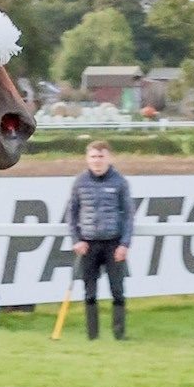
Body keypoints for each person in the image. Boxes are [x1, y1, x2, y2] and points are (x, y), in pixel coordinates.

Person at [66, 139, 134, 340]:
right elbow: (72, 214)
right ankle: (92, 336)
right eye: (93, 157)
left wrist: (125, 244)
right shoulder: (80, 182)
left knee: (117, 291)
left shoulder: (120, 182)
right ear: (87, 159)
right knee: (89, 292)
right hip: (88, 244)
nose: (97, 161)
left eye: (101, 156)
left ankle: (119, 334)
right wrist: (76, 240)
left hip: (113, 244)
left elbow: (129, 215)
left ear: (108, 158)